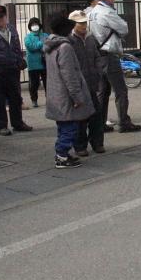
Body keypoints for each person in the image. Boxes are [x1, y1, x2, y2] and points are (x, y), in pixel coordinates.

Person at [43, 13, 95, 168]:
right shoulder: (65, 47)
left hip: (55, 92)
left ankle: (63, 154)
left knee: (63, 126)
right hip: (65, 95)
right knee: (70, 128)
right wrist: (77, 97)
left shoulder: (50, 45)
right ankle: (61, 155)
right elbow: (69, 75)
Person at [90, 0, 141, 133]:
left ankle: (100, 123)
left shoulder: (92, 13)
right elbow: (124, 28)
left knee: (102, 92)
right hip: (110, 55)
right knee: (120, 90)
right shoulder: (107, 12)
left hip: (98, 56)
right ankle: (124, 122)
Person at [0, 4, 32, 136]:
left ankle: (17, 123)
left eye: (1, 17)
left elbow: (17, 47)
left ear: (5, 16)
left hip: (12, 69)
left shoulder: (12, 29)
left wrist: (20, 60)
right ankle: (2, 126)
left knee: (15, 97)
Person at [68, 10, 105, 156]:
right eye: (80, 23)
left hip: (92, 82)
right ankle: (80, 146)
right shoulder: (69, 40)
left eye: (84, 22)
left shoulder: (90, 38)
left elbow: (97, 56)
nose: (83, 26)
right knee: (80, 118)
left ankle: (97, 143)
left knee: (96, 116)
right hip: (78, 85)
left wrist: (98, 71)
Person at [23, 17, 48, 108]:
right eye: (33, 25)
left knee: (47, 83)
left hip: (45, 63)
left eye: (36, 24)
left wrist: (42, 44)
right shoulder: (28, 37)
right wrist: (41, 43)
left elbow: (49, 44)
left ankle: (49, 99)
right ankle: (34, 100)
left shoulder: (45, 35)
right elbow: (31, 47)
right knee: (34, 84)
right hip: (33, 65)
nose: (35, 26)